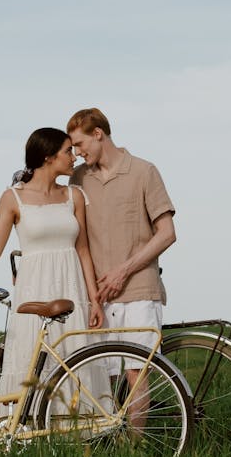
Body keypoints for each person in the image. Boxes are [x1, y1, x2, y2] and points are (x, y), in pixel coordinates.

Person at [0, 127, 107, 415]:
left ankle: (79, 434)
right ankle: (27, 432)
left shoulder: (74, 196)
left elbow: (83, 251)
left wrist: (95, 300)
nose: (73, 156)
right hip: (34, 290)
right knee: (31, 361)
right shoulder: (13, 198)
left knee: (74, 359)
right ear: (48, 157)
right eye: (67, 151)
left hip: (72, 291)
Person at [66, 107, 176, 412]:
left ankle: (134, 454)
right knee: (101, 379)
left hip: (138, 291)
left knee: (135, 376)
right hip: (97, 298)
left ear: (98, 134)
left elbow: (167, 233)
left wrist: (123, 271)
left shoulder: (144, 171)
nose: (76, 152)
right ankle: (109, 451)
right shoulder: (78, 179)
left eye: (79, 144)